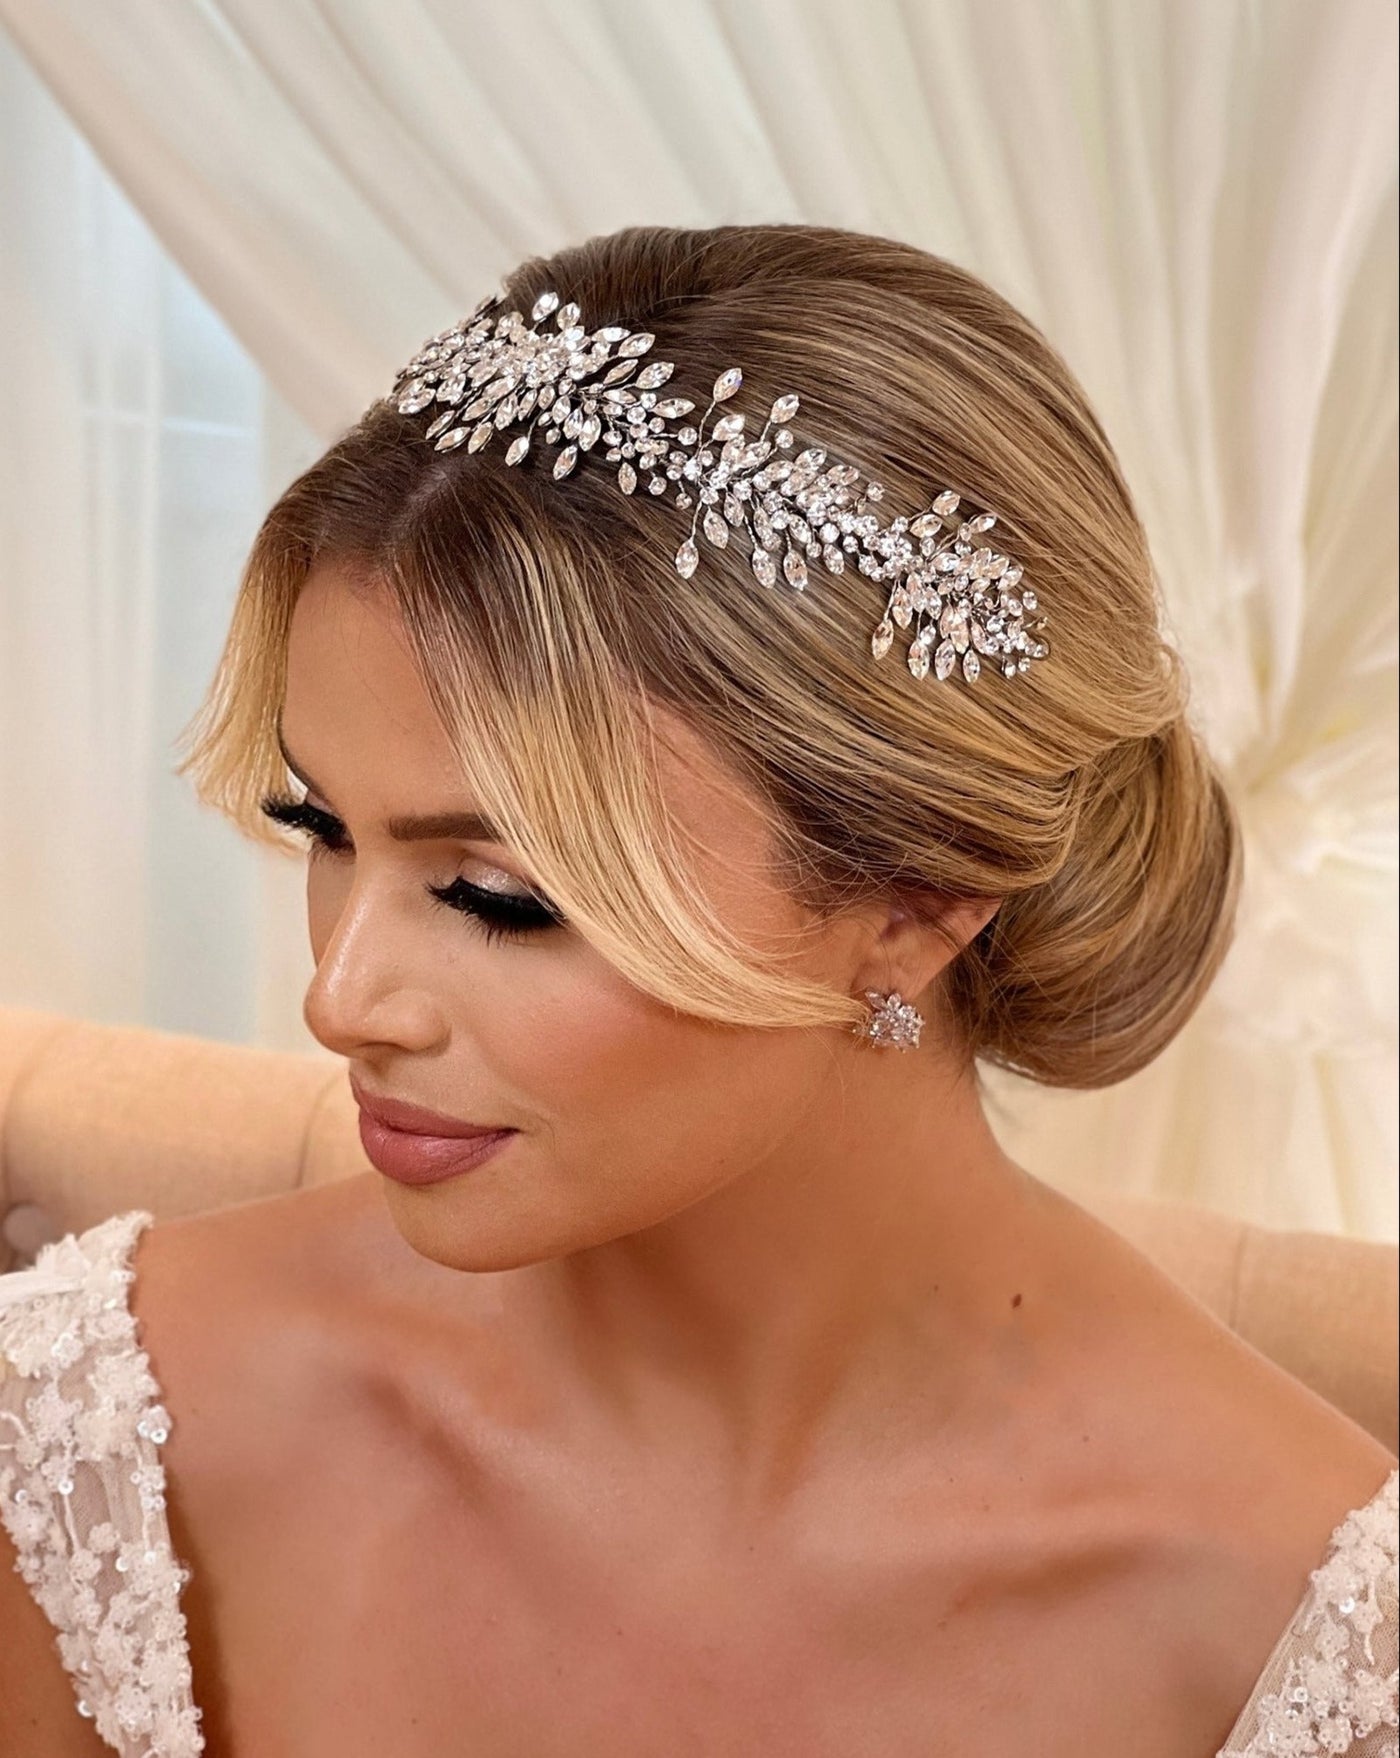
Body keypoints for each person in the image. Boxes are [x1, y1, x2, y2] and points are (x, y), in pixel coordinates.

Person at [1, 221, 1395, 1757]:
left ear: (914, 905)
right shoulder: (106, 1436)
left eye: (495, 896)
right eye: (323, 830)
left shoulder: (1278, 1626)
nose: (342, 998)